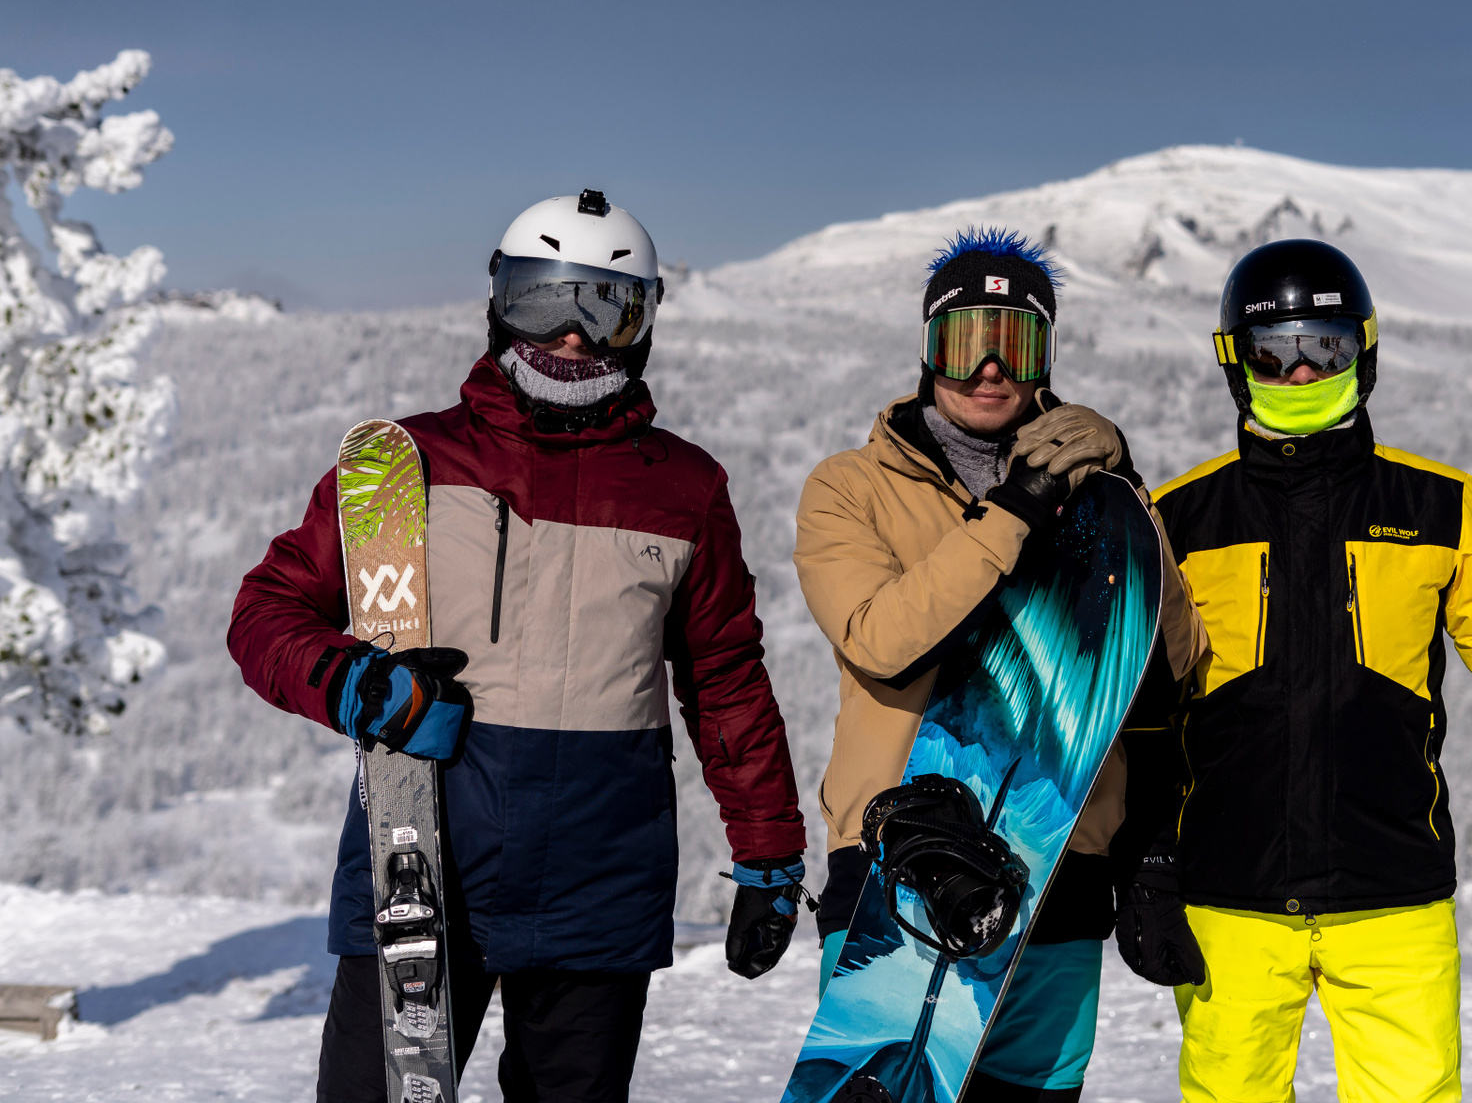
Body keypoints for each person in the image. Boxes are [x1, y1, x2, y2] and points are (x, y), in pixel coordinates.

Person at [229, 190, 808, 1103]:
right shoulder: (408, 465)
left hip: (600, 880)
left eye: (606, 307)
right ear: (499, 304)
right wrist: (354, 684)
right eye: (544, 300)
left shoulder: (684, 489)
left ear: (644, 325)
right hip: (421, 863)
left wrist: (768, 847)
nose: (572, 334)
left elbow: (724, 677)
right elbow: (267, 611)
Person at [1118, 239, 1472, 1103]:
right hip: (1230, 898)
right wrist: (1147, 861)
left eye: (1326, 347)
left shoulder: (1436, 505)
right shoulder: (1182, 517)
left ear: (1364, 353)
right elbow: (1144, 711)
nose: (1301, 373)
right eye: (1274, 353)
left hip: (1392, 896)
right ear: (1236, 363)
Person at [793, 227, 1208, 1103]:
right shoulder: (849, 487)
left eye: (1014, 344)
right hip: (901, 871)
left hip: (1060, 865)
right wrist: (1015, 510)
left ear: (1043, 357)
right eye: (963, 342)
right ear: (927, 350)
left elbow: (1172, 666)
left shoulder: (1096, 494)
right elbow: (882, 640)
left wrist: (1126, 506)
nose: (989, 369)